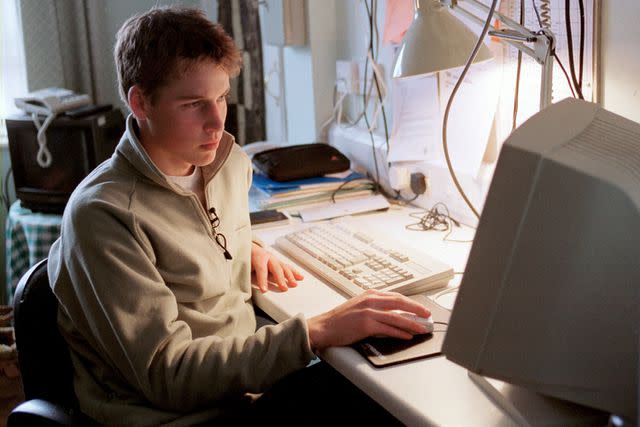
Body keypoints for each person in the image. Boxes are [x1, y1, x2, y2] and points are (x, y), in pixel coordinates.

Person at [48, 6, 431, 426]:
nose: (216, 122)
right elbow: (169, 375)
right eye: (194, 104)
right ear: (141, 102)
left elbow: (191, 228)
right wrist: (314, 332)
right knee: (384, 402)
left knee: (389, 377)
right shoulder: (103, 215)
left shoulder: (227, 165)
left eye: (221, 98)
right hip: (178, 415)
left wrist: (243, 246)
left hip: (243, 387)